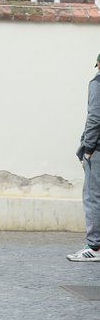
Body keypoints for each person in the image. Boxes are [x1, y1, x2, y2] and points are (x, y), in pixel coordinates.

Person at [67, 54, 100, 261]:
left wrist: (87, 148)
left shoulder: (97, 83)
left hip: (98, 150)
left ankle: (95, 247)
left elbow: (95, 117)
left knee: (92, 196)